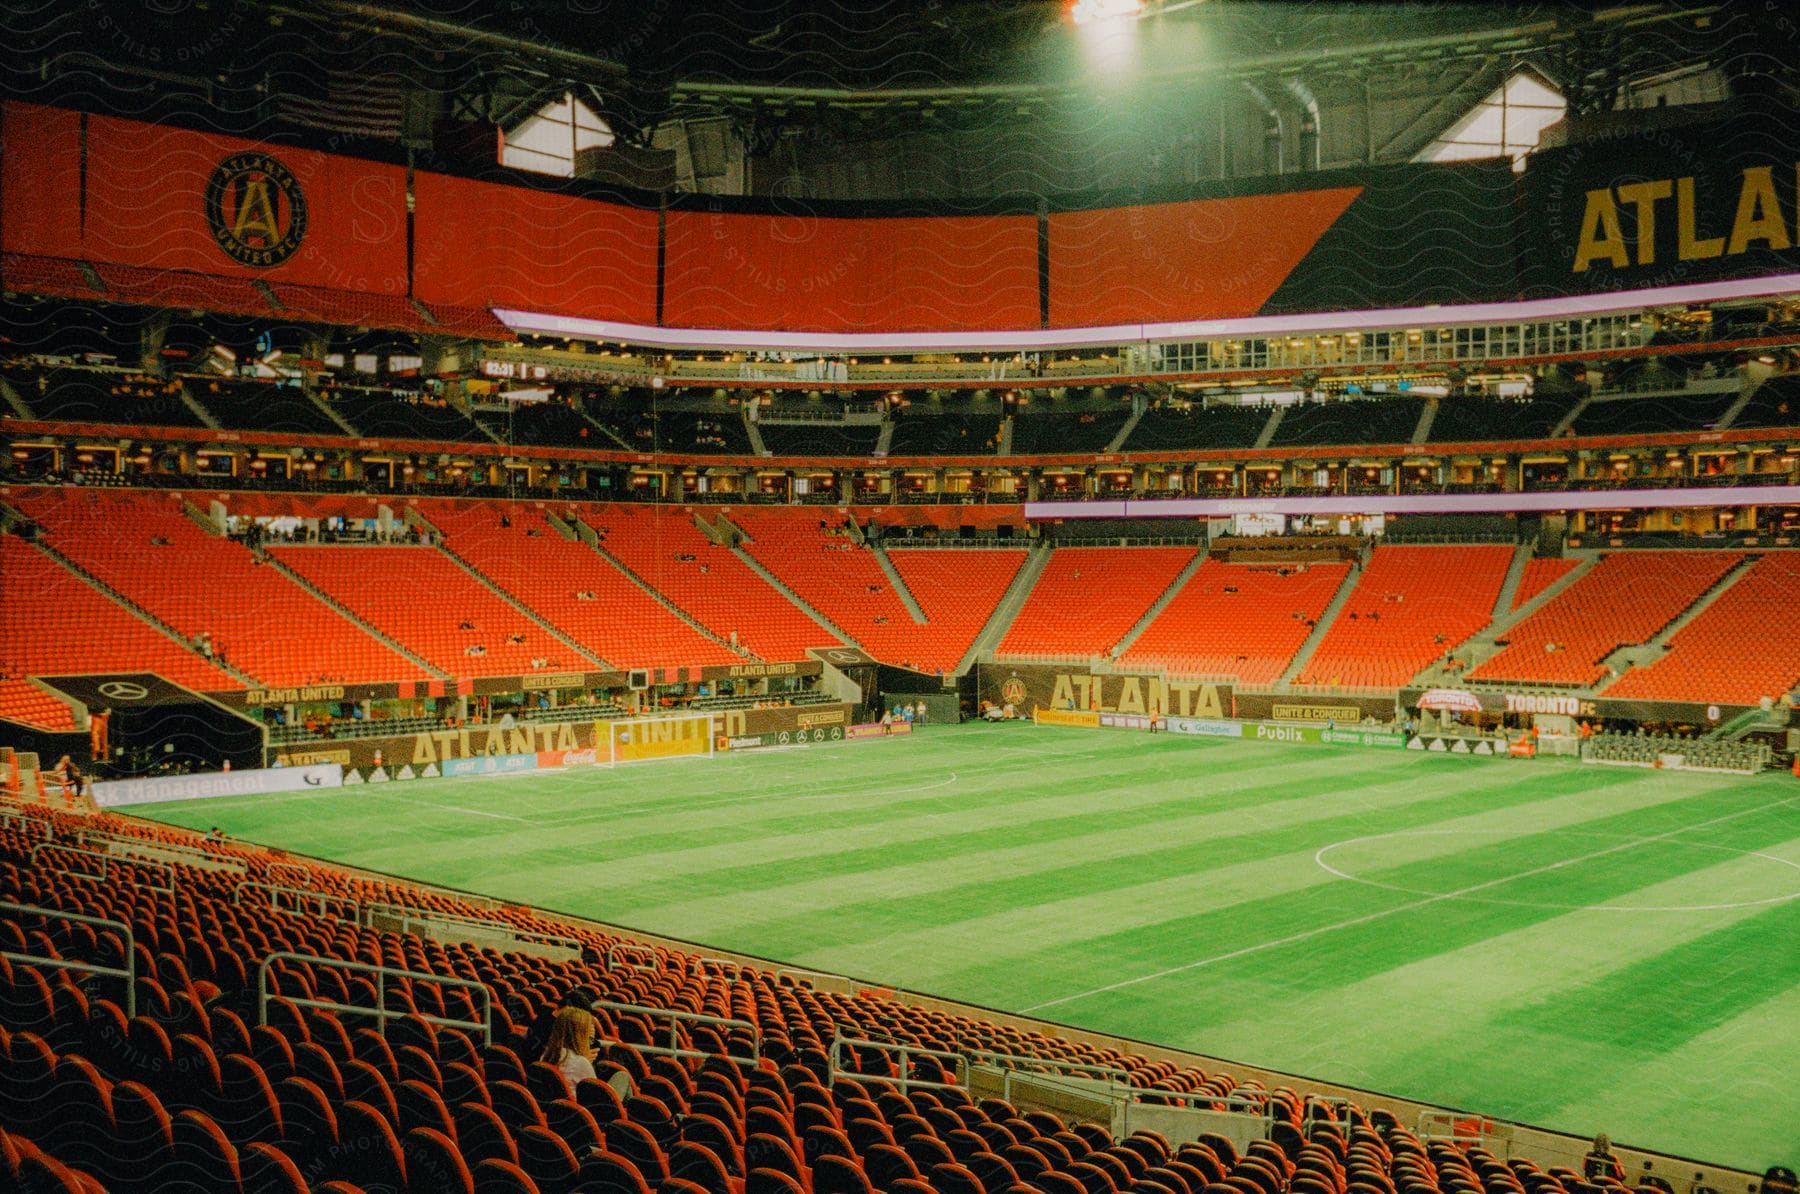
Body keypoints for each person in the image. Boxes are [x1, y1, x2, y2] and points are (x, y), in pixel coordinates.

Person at [539, 1006, 600, 1091]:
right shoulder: (580, 1063)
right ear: (580, 1035)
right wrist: (586, 1063)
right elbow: (597, 1094)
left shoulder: (547, 1054)